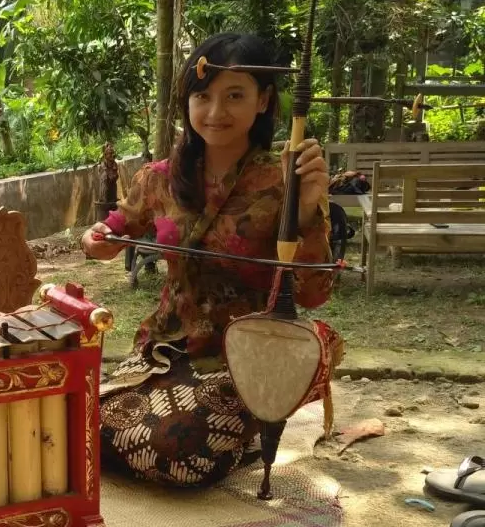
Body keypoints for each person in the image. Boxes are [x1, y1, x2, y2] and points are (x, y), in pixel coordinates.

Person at [82, 32, 335, 487]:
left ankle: (240, 437)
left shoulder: (285, 182)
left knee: (177, 451)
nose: (216, 112)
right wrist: (97, 239)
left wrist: (307, 210)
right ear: (188, 102)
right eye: (203, 96)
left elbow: (314, 295)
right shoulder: (159, 178)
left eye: (234, 95)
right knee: (74, 426)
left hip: (246, 356)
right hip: (165, 347)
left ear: (263, 101)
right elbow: (112, 231)